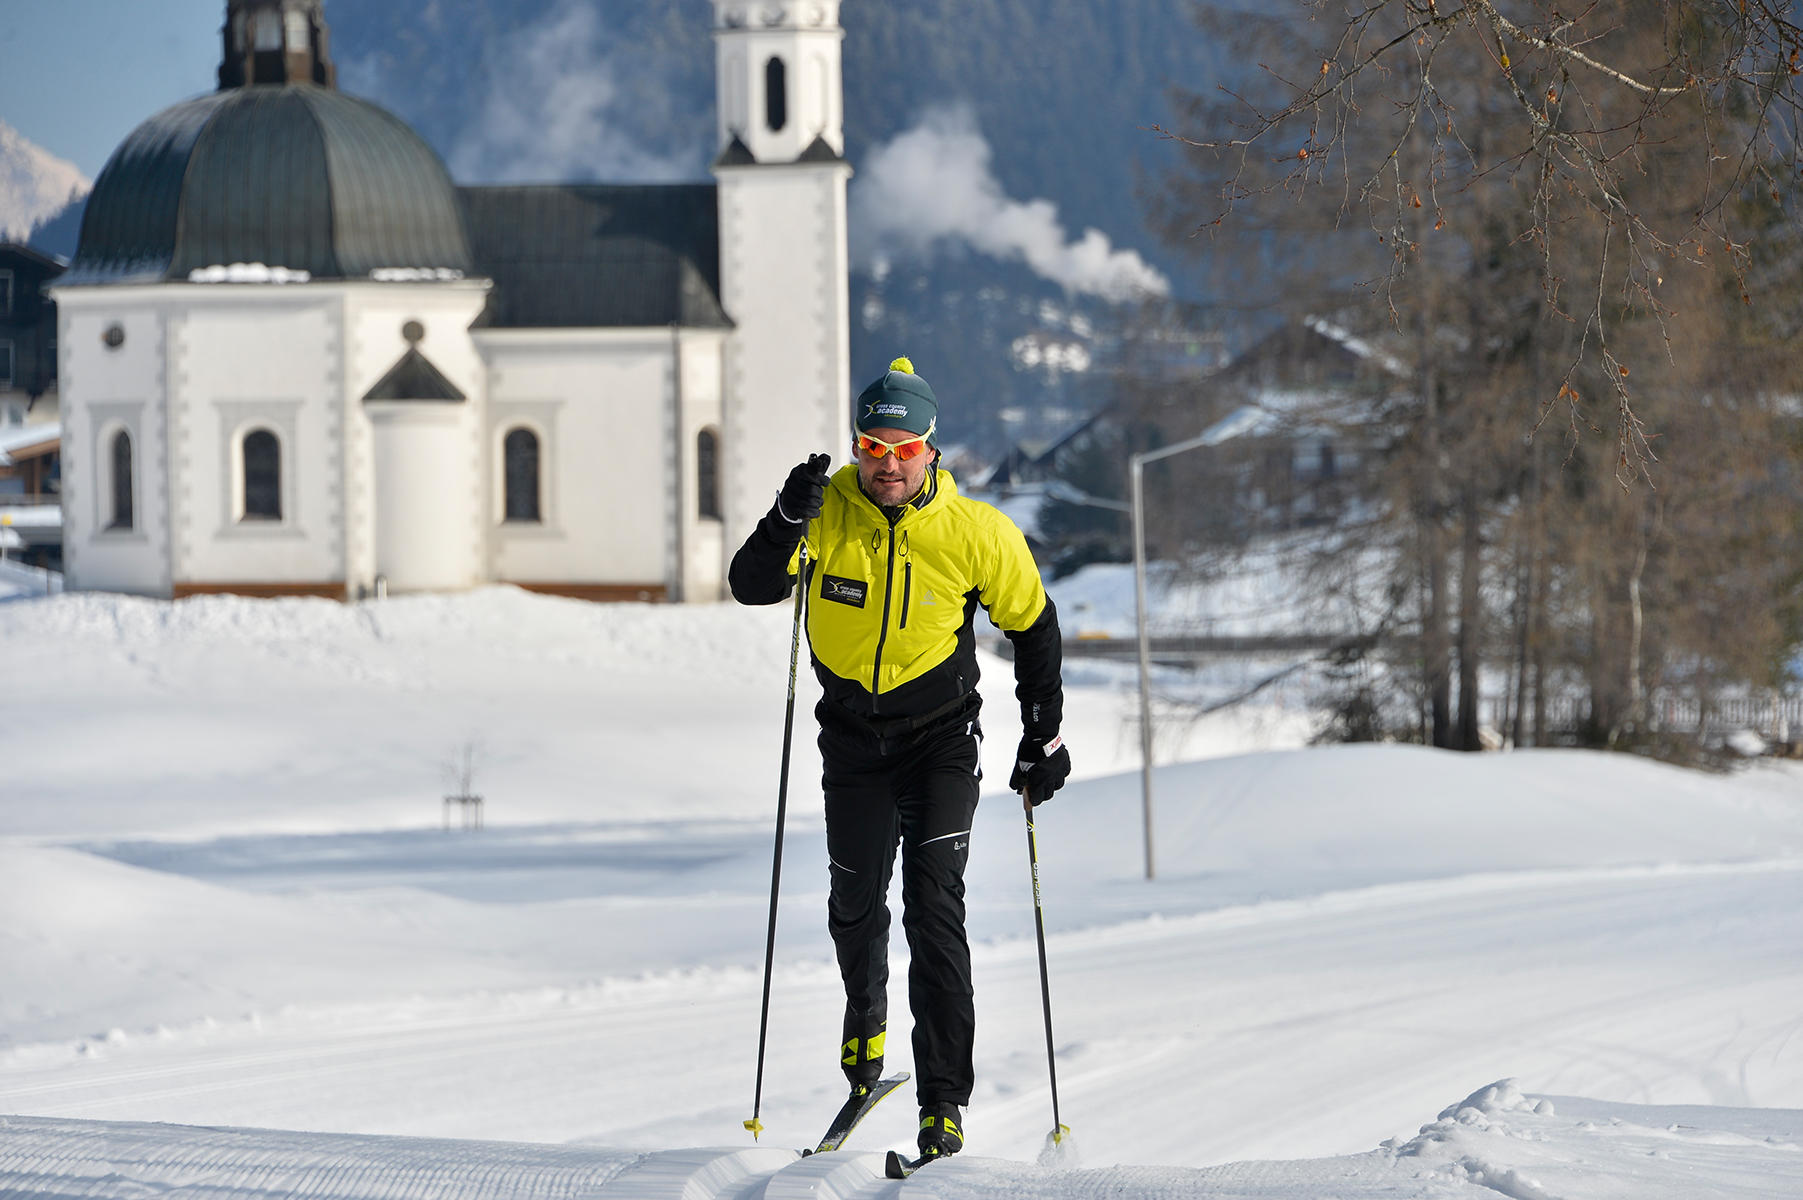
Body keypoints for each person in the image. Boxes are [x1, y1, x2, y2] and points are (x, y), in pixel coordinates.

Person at [729, 356, 1071, 1162]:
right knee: (853, 904)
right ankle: (865, 1030)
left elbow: (1035, 627)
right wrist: (783, 518)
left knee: (933, 909)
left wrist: (1042, 735)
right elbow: (751, 587)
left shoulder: (975, 531)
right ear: (855, 446)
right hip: (850, 739)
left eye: (903, 449)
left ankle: (941, 1102)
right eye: (871, 447)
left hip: (939, 741)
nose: (886, 465)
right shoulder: (823, 511)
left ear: (930, 448)